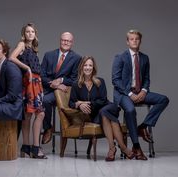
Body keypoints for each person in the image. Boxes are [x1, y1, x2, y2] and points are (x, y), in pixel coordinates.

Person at [112, 29, 169, 160]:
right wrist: (130, 93)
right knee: (130, 110)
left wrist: (144, 90)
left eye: (136, 39)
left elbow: (147, 79)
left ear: (140, 41)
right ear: (127, 42)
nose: (134, 41)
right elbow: (115, 80)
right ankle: (136, 147)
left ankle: (143, 127)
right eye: (131, 39)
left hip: (140, 91)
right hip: (123, 94)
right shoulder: (120, 57)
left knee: (163, 100)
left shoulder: (144, 58)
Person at [69, 56, 134, 161]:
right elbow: (71, 103)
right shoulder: (76, 85)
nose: (88, 68)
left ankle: (114, 149)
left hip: (108, 107)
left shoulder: (100, 81)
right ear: (81, 67)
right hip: (95, 116)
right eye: (85, 65)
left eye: (90, 65)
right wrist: (79, 104)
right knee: (106, 117)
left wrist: (86, 103)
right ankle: (121, 148)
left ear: (93, 68)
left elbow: (103, 100)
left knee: (104, 111)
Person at [9, 23, 46, 159]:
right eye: (27, 32)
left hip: (37, 83)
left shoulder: (33, 49)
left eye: (32, 32)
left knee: (31, 115)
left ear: (35, 34)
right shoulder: (22, 45)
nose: (30, 34)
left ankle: (26, 146)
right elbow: (11, 57)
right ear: (24, 34)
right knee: (37, 114)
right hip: (30, 82)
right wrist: (27, 68)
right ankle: (35, 148)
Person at [41, 32, 81, 144]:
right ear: (60, 40)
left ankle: (47, 128)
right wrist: (52, 83)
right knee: (35, 100)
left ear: (72, 43)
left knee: (45, 101)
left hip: (62, 92)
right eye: (64, 40)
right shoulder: (48, 55)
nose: (65, 42)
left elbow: (74, 79)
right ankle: (31, 143)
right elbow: (41, 75)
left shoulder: (77, 58)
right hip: (47, 88)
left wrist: (61, 80)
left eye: (68, 41)